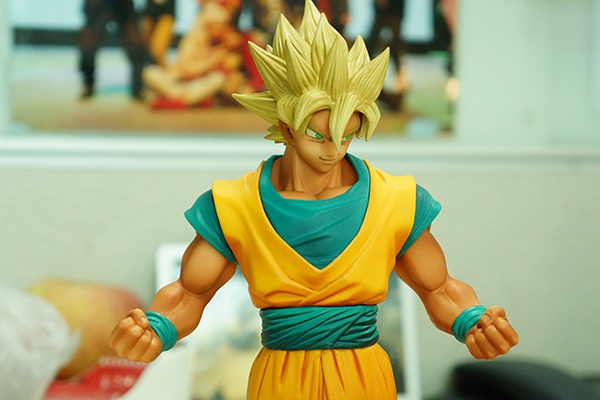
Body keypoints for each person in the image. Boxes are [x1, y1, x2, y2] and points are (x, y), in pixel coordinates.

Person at [109, 1, 518, 399]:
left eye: (347, 135)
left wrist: (473, 322)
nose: (333, 150)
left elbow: (439, 288)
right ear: (286, 126)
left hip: (364, 381)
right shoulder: (235, 205)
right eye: (318, 135)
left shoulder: (394, 200)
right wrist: (154, 329)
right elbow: (189, 294)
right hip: (279, 382)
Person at [78, 0, 148, 99]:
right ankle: (88, 84)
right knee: (88, 40)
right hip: (99, 7)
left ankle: (137, 88)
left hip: (123, 6)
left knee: (135, 43)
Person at [142, 0, 177, 67]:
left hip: (166, 14)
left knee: (157, 50)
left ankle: (166, 70)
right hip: (150, 14)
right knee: (146, 49)